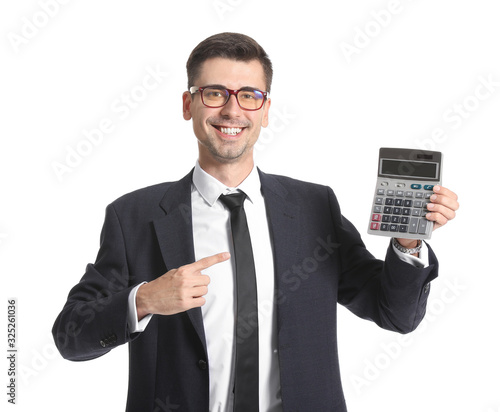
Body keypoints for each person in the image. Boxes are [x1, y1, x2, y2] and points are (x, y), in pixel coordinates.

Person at [52, 32, 459, 412]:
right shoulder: (134, 216)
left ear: (265, 111)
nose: (232, 109)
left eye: (249, 95)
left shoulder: (314, 207)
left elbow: (395, 314)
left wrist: (409, 244)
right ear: (187, 104)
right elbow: (70, 336)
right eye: (214, 93)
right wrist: (144, 300)